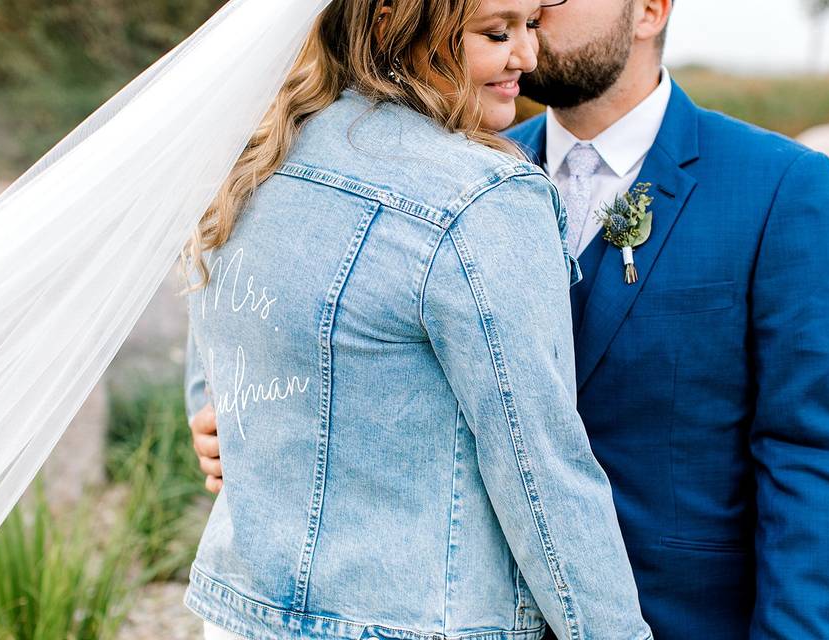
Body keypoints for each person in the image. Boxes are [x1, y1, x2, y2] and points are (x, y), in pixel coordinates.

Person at [191, 0, 829, 638]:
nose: (535, 20)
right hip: (469, 611)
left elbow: (815, 448)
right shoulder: (462, 172)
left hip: (668, 614)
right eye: (506, 20)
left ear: (648, 9)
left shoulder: (779, 185)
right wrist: (254, 419)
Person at [181, 0, 652, 639]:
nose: (528, 58)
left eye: (532, 26)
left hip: (241, 615)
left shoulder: (258, 154)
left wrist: (224, 417)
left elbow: (215, 328)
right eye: (497, 32)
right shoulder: (482, 200)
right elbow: (538, 463)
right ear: (390, 23)